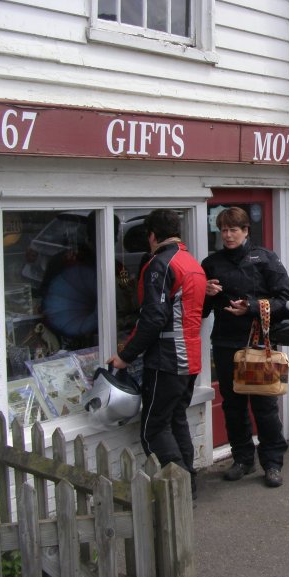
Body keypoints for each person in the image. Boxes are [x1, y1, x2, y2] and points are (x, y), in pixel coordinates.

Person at [108, 209, 206, 497]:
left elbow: (153, 318)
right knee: (176, 422)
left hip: (167, 359)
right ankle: (189, 488)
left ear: (151, 235)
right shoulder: (191, 262)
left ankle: (179, 491)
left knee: (153, 431)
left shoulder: (160, 264)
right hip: (189, 358)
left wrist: (125, 356)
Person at [202, 207, 289, 488]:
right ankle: (242, 459)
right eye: (224, 230)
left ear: (246, 231)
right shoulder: (212, 263)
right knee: (233, 406)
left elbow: (286, 300)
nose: (228, 235)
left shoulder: (265, 259)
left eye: (234, 230)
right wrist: (206, 294)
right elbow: (201, 311)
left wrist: (252, 307)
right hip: (225, 344)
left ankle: (273, 463)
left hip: (258, 343)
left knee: (264, 405)